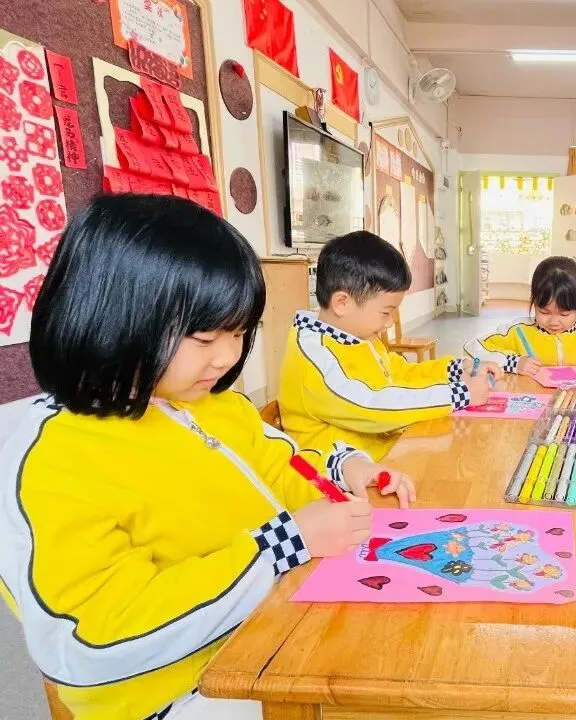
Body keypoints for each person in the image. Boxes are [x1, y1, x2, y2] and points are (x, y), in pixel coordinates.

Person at [0, 195, 411, 720]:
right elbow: (85, 644)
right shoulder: (53, 458)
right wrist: (284, 546)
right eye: (204, 338)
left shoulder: (213, 405)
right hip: (181, 695)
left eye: (238, 334)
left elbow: (282, 463)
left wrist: (343, 469)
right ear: (114, 318)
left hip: (273, 633)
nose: (227, 356)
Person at [279, 231, 501, 461]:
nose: (388, 323)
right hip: (346, 476)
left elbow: (399, 373)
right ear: (342, 303)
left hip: (387, 451)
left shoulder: (356, 337)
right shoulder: (314, 357)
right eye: (386, 312)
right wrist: (460, 394)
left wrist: (455, 369)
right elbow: (371, 405)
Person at [465, 256, 576, 377]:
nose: (554, 322)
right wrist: (513, 362)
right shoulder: (517, 331)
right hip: (532, 408)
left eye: (564, 313)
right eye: (544, 312)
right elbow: (473, 347)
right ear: (534, 300)